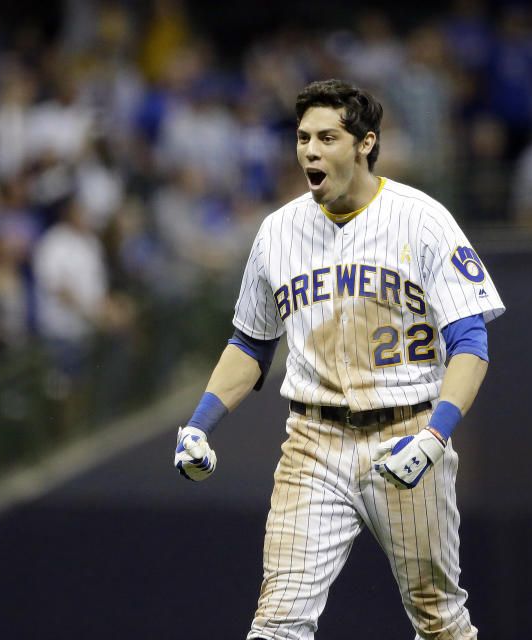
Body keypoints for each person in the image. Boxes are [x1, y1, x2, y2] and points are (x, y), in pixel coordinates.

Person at [173, 79, 505, 640]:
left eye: (328, 137)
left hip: (409, 431)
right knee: (277, 622)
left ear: (365, 143)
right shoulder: (278, 231)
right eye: (303, 137)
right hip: (313, 440)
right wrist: (200, 424)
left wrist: (435, 436)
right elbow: (251, 342)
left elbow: (471, 344)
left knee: (440, 620)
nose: (310, 150)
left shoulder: (422, 219)